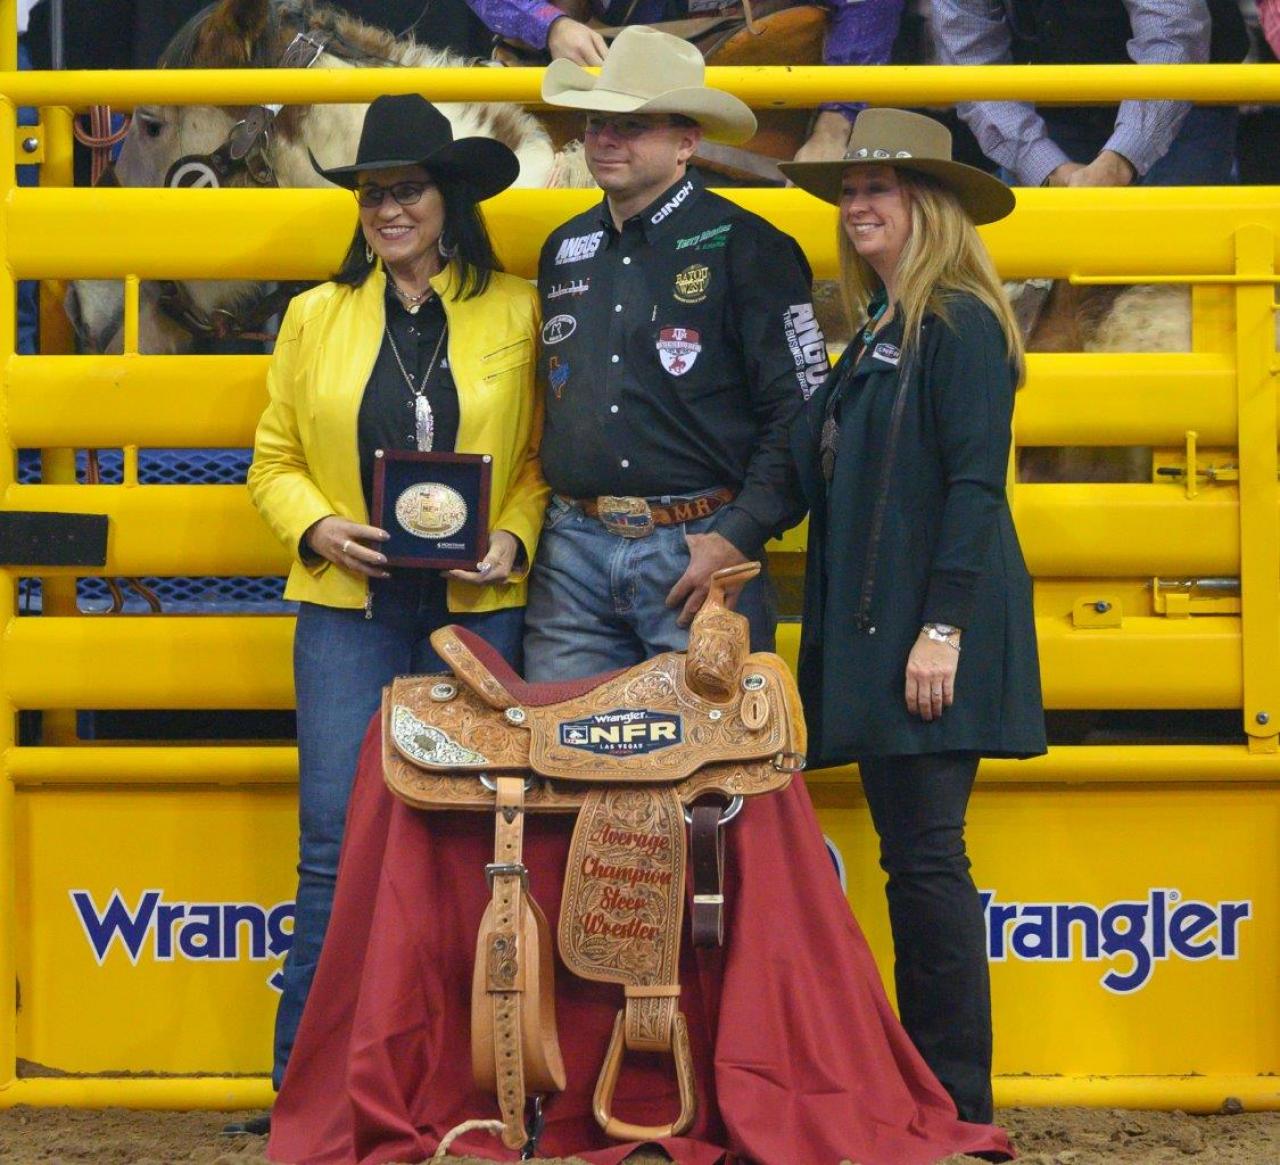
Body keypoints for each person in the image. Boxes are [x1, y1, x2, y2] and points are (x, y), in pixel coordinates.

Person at [244, 93, 547, 1117]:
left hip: (478, 606)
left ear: (448, 198)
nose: (387, 209)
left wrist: (514, 533)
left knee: (476, 841)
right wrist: (318, 529)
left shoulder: (517, 309)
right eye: (372, 193)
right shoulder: (311, 316)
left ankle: (465, 1079)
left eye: (406, 189)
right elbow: (272, 460)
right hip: (345, 603)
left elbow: (548, 460)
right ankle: (308, 1084)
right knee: (333, 839)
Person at [780, 107, 1048, 1124]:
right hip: (899, 634)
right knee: (914, 860)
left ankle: (956, 1099)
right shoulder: (886, 332)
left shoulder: (958, 326)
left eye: (876, 190)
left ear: (925, 205)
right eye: (848, 193)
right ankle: (939, 1095)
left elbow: (977, 487)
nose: (855, 207)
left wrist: (941, 628)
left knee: (927, 861)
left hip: (933, 637)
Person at [523, 25, 824, 681]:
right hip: (574, 543)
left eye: (632, 125)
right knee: (563, 766)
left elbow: (804, 412)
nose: (605, 139)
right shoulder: (562, 249)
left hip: (697, 543)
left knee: (708, 774)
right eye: (596, 122)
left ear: (687, 142)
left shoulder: (750, 246)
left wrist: (737, 533)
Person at [932, 0, 1250, 187]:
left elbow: (1171, 37)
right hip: (1048, 100)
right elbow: (969, 53)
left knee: (1176, 275)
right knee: (1045, 280)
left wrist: (1119, 160)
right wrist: (1045, 167)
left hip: (1182, 106)